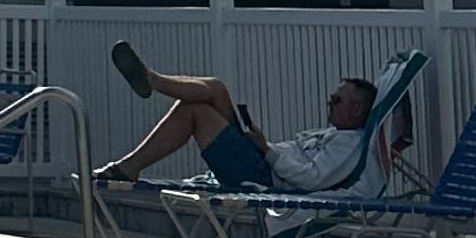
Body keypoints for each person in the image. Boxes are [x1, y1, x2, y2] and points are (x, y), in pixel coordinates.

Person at [97, 46, 399, 197]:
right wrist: (262, 145)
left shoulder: (348, 144)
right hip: (260, 160)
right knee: (216, 88)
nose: (329, 103)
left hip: (263, 176)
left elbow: (311, 179)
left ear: (357, 110)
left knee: (194, 112)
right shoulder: (333, 134)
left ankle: (129, 166)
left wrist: (267, 150)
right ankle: (152, 79)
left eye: (337, 100)